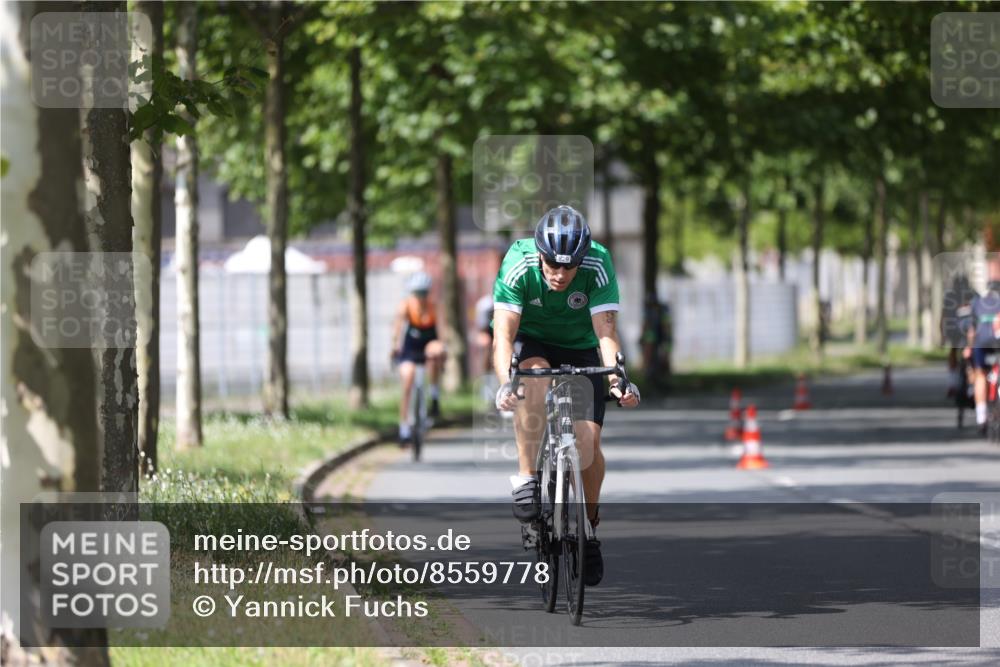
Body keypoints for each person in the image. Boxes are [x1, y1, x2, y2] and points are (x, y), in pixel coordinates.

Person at [492, 204, 640, 587]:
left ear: (582, 258)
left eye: (568, 267)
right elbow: (503, 337)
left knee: (588, 441)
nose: (559, 275)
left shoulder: (598, 263)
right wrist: (507, 383)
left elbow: (606, 331)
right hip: (533, 341)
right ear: (539, 254)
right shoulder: (518, 264)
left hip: (582, 347)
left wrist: (617, 381)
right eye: (552, 266)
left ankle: (589, 529)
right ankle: (526, 477)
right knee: (534, 377)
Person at [390, 271, 445, 443]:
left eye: (424, 293)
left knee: (435, 352)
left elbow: (442, 332)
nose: (421, 297)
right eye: (417, 293)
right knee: (407, 380)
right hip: (410, 348)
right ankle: (404, 429)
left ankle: (434, 396)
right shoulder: (405, 306)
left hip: (429, 345)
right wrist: (394, 346)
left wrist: (443, 347)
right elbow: (397, 330)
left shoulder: (435, 307)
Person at [961, 280, 1000, 435]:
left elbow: (971, 330)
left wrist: (968, 348)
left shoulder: (977, 303)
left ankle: (981, 417)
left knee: (980, 376)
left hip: (981, 344)